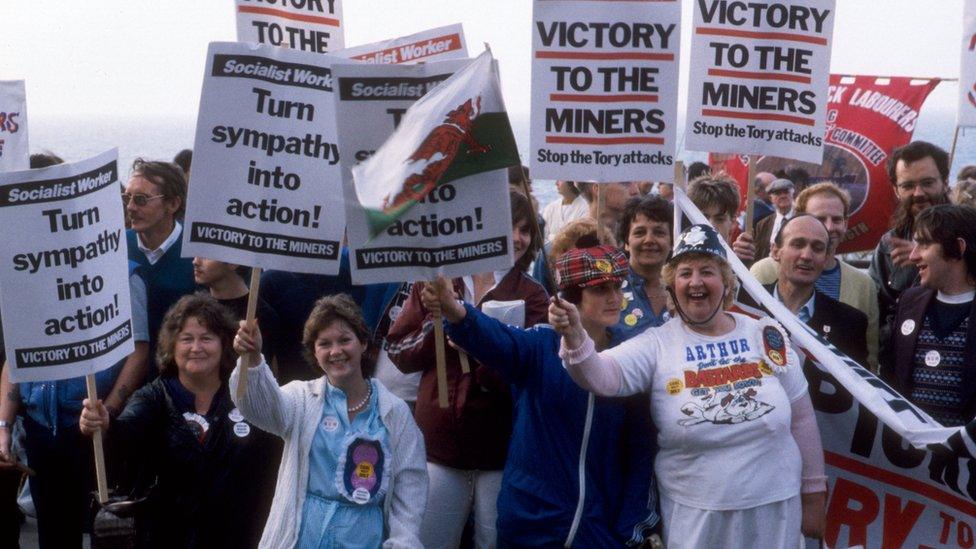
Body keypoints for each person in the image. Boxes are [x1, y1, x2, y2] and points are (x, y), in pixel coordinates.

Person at [551, 224, 827, 547]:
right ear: (672, 286)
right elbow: (600, 375)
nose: (695, 282)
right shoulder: (656, 344)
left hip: (775, 509)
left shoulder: (765, 334)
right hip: (697, 516)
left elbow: (803, 418)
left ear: (726, 282)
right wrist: (574, 335)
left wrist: (814, 495)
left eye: (707, 271)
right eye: (685, 273)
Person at [418, 238, 660, 547]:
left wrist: (628, 530)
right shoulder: (541, 346)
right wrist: (455, 310)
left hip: (599, 531)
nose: (614, 298)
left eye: (617, 286)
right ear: (571, 298)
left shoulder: (632, 355)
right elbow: (497, 339)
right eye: (600, 290)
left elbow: (640, 454)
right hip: (530, 523)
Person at [386, 190, 548, 549]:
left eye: (526, 229)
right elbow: (398, 351)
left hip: (501, 453)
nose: (518, 238)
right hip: (439, 449)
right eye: (509, 226)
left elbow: (531, 373)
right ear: (482, 225)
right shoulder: (438, 281)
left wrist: (477, 341)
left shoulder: (534, 295)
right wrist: (440, 324)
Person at [79, 294, 280, 548]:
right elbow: (123, 435)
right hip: (164, 536)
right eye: (187, 339)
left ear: (224, 345)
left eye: (206, 338)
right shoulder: (153, 397)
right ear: (172, 347)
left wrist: (256, 361)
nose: (196, 348)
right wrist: (103, 424)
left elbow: (275, 439)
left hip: (235, 536)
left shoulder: (243, 395)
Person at [232, 294, 427, 548]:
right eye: (324, 343)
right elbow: (258, 408)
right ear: (314, 351)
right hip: (303, 538)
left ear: (363, 343)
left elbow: (410, 485)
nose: (336, 351)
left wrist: (402, 542)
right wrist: (254, 358)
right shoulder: (301, 398)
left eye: (345, 340)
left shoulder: (395, 411)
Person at [749, 182, 880, 369]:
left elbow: (868, 361)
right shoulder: (763, 272)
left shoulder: (863, 284)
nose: (828, 227)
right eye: (819, 218)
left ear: (846, 223)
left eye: (836, 219)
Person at [881, 205, 976, 427]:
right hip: (911, 456)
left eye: (923, 244)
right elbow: (890, 375)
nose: (913, 256)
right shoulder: (909, 302)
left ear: (958, 248)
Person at [741, 215, 869, 365]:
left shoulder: (849, 324)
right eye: (797, 244)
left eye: (818, 248)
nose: (807, 256)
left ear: (826, 257)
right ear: (775, 251)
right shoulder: (745, 305)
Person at [870, 141, 951, 353]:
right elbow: (875, 309)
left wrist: (937, 256)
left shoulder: (971, 232)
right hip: (901, 359)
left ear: (945, 181)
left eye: (927, 183)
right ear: (896, 190)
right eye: (908, 186)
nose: (918, 193)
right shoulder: (889, 245)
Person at [124, 158, 196, 374]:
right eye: (127, 198)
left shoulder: (196, 252)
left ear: (173, 204)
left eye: (141, 199)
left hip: (182, 378)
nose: (130, 207)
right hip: (125, 379)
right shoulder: (115, 247)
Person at [259, 248, 362, 384]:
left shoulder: (346, 275)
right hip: (292, 394)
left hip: (347, 391)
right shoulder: (271, 282)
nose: (335, 350)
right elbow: (262, 356)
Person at [192, 257, 280, 365]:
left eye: (206, 256)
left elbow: (258, 373)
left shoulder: (262, 316)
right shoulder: (193, 309)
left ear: (233, 263)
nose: (195, 261)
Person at [613, 195, 672, 341]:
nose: (649, 240)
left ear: (672, 241)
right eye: (640, 232)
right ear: (626, 242)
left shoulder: (686, 287)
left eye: (659, 232)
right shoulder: (609, 287)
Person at [753, 178, 795, 262]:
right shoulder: (762, 224)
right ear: (770, 198)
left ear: (792, 194)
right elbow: (757, 252)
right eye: (778, 193)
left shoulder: (802, 220)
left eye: (786, 192)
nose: (783, 196)